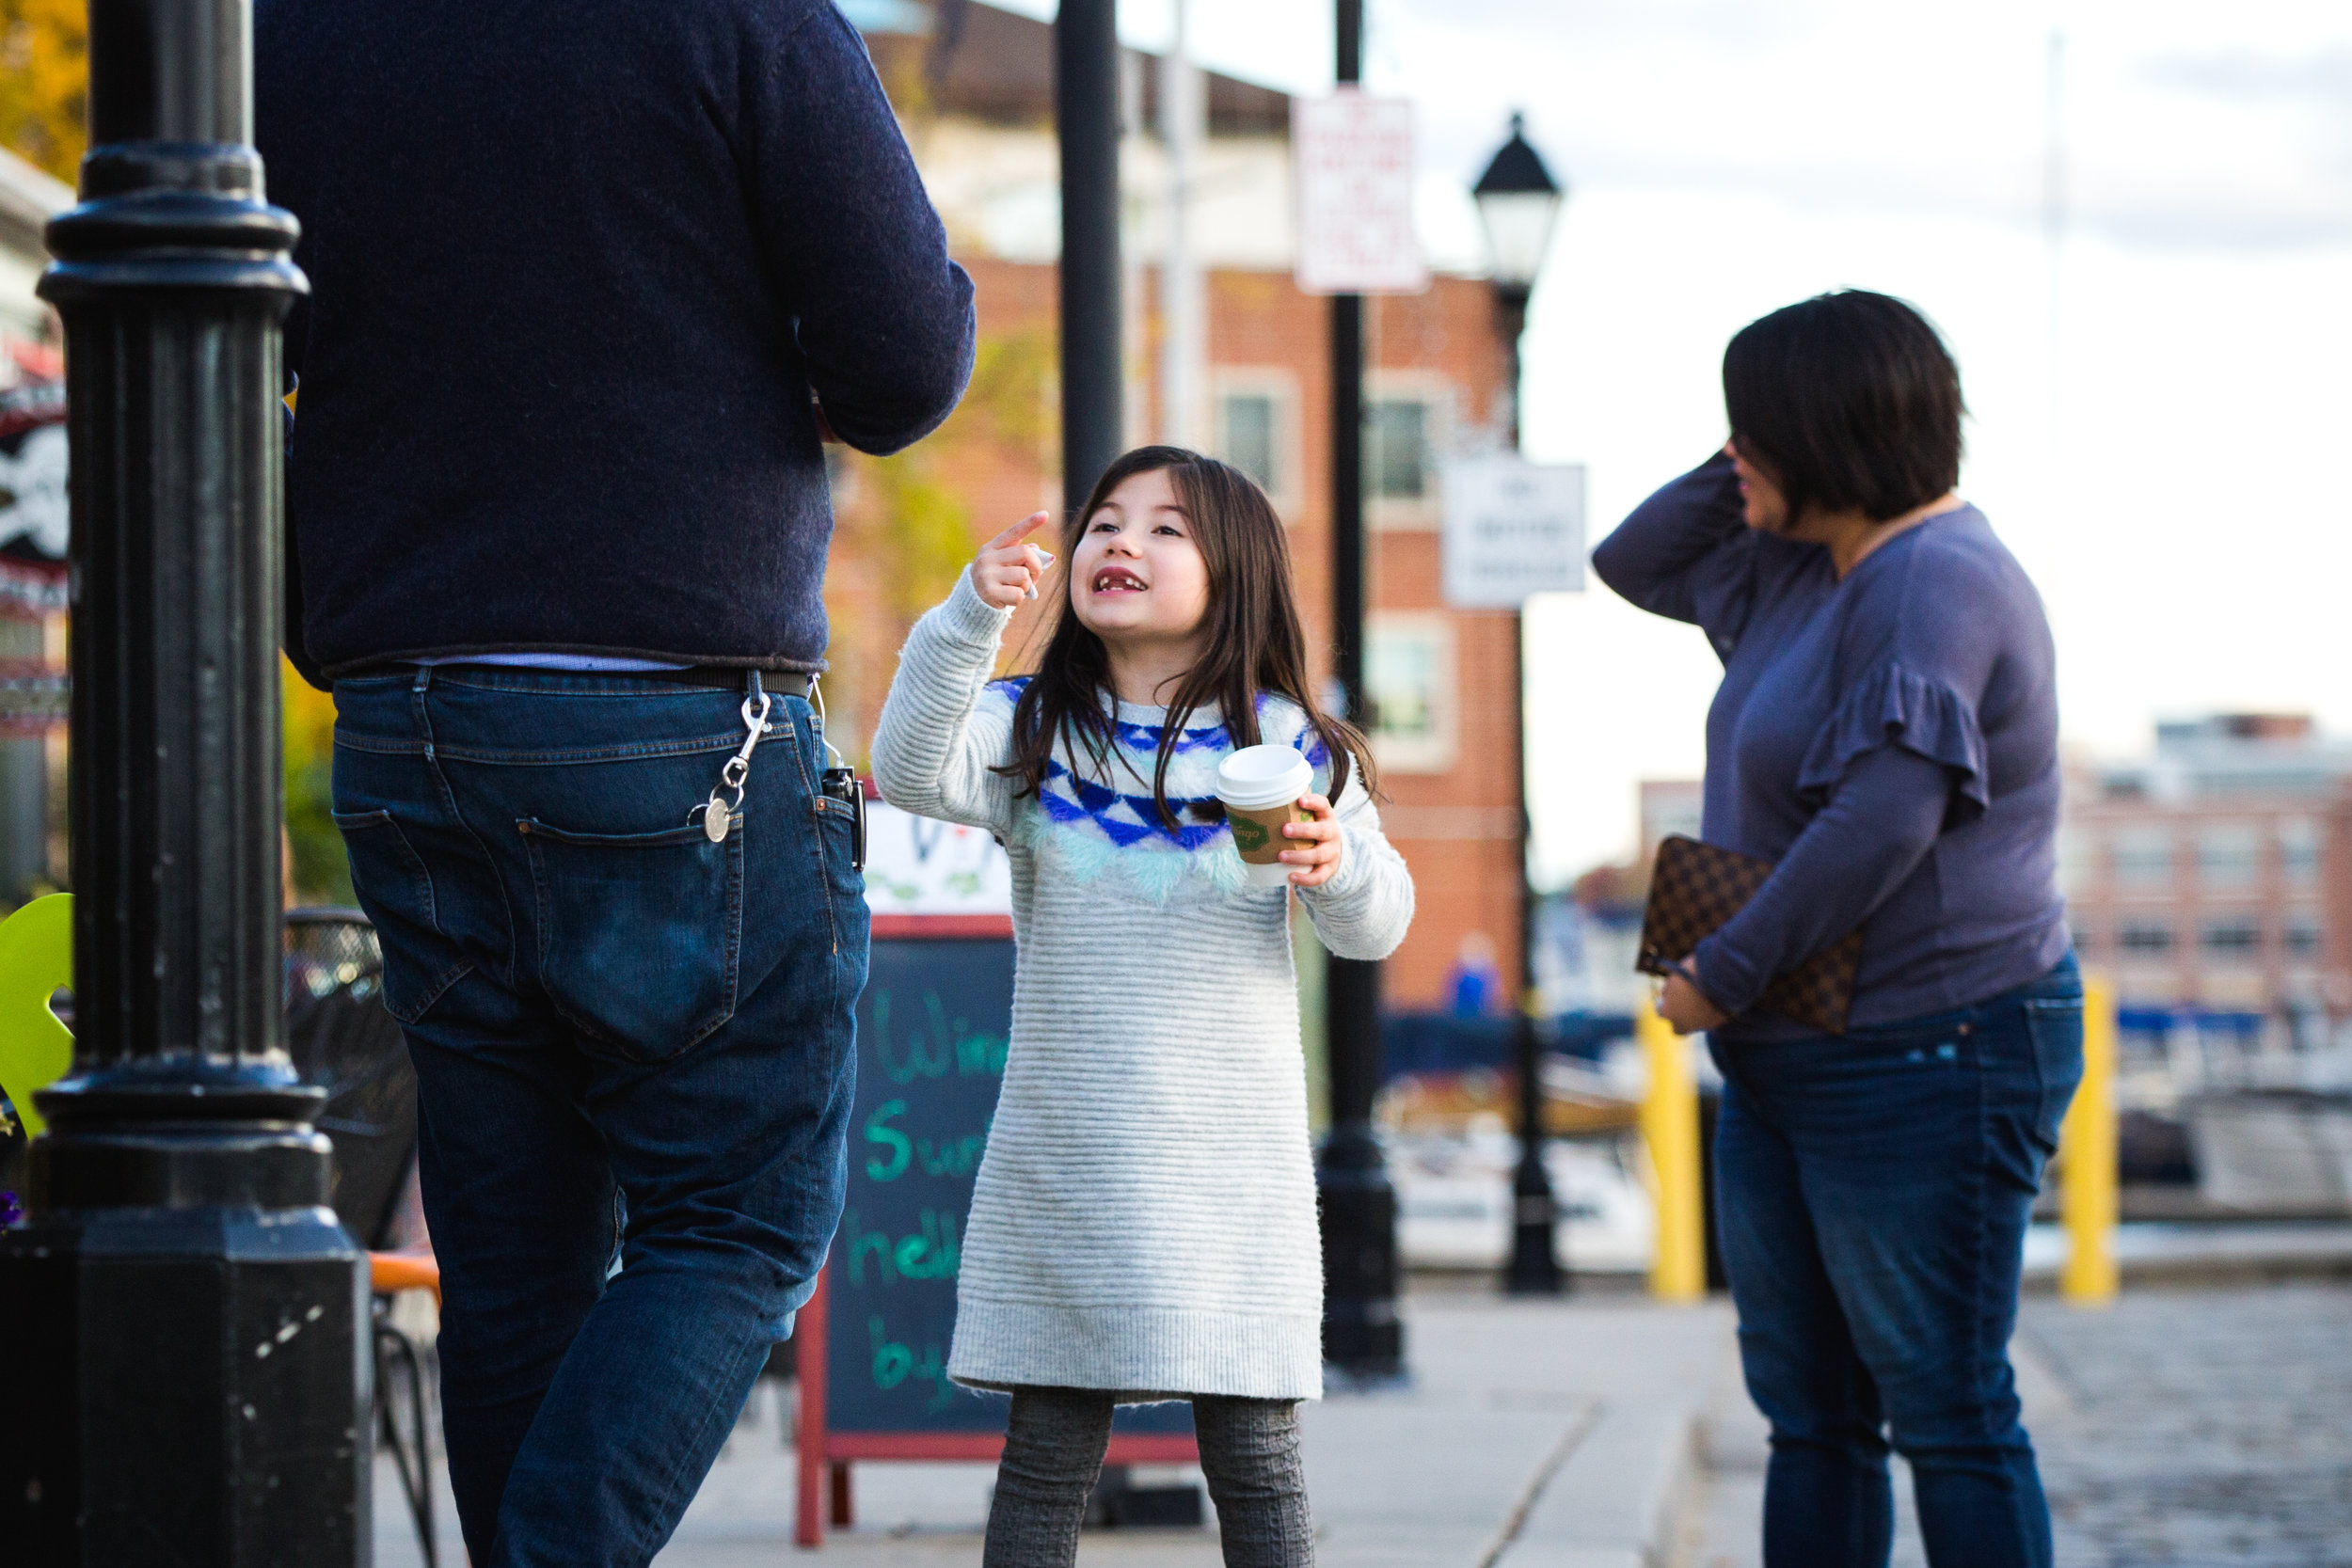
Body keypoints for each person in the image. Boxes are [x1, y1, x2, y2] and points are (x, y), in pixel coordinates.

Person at [253, 2, 976, 1561]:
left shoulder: (299, 31)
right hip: (669, 714)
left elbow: (258, 336)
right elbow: (906, 370)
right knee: (745, 1214)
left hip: (409, 712)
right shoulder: (744, 21)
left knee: (515, 1263)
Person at [1591, 291, 2080, 1568]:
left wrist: (1718, 975)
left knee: (1949, 1410)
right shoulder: (1807, 567)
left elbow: (1881, 824)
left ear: (1833, 437)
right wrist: (1753, 453)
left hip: (1932, 1048)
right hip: (1798, 1046)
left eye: (1757, 430)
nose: (1736, 453)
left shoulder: (1937, 582)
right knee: (1810, 1419)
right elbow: (1633, 562)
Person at [871, 447, 1414, 1568]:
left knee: (1256, 1460)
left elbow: (1377, 924)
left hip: (1233, 1168)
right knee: (1045, 1455)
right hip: (1070, 1156)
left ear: (1237, 574)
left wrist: (1332, 863)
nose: (1120, 542)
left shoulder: (1289, 747)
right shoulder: (1032, 732)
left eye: (1166, 530)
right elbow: (911, 767)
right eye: (1105, 523)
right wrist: (964, 621)